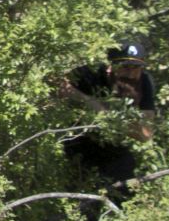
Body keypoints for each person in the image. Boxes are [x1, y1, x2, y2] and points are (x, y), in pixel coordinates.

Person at [60, 42, 157, 195]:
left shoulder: (144, 82)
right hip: (75, 140)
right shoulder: (91, 73)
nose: (131, 74)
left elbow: (145, 133)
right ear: (110, 67)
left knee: (125, 187)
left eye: (136, 68)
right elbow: (55, 82)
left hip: (111, 145)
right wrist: (89, 101)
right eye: (125, 67)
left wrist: (106, 115)